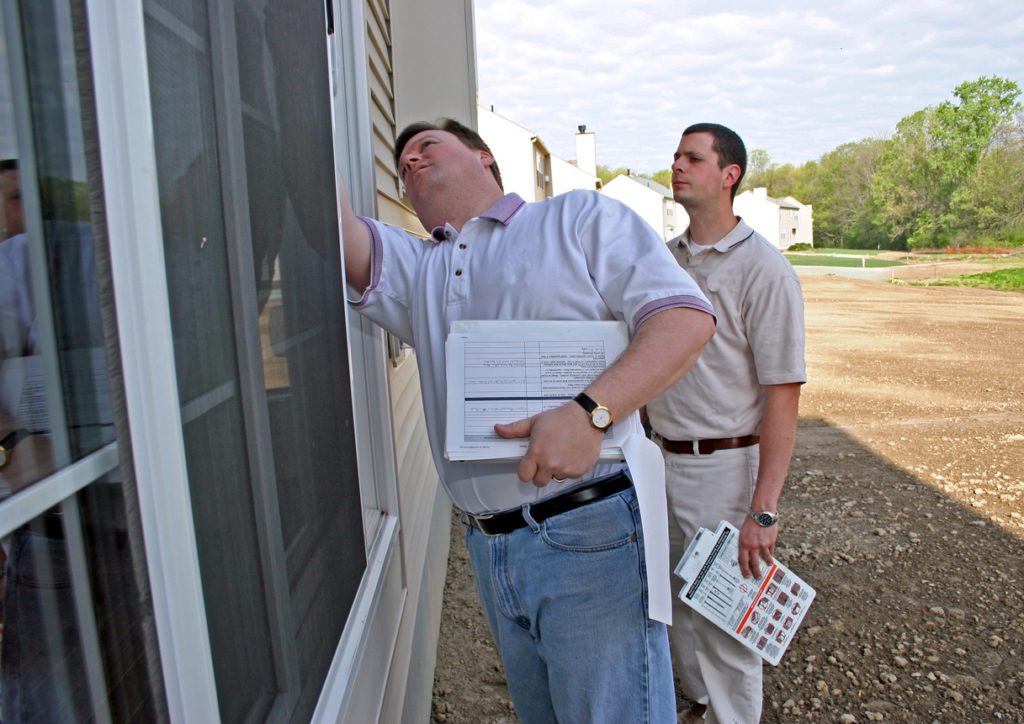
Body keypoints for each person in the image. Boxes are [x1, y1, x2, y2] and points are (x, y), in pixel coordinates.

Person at [341, 118, 716, 722]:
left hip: (591, 530)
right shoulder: (421, 268)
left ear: (485, 158)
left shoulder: (577, 220)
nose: (410, 161)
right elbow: (337, 229)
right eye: (402, 159)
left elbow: (683, 319)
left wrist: (590, 414)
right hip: (490, 546)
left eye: (426, 146)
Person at [646, 123, 806, 723]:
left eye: (693, 158)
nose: (677, 166)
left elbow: (782, 395)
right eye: (676, 156)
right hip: (658, 457)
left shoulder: (764, 272)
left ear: (729, 175)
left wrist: (763, 510)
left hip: (723, 466)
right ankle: (703, 705)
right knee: (677, 606)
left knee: (725, 619)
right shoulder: (666, 260)